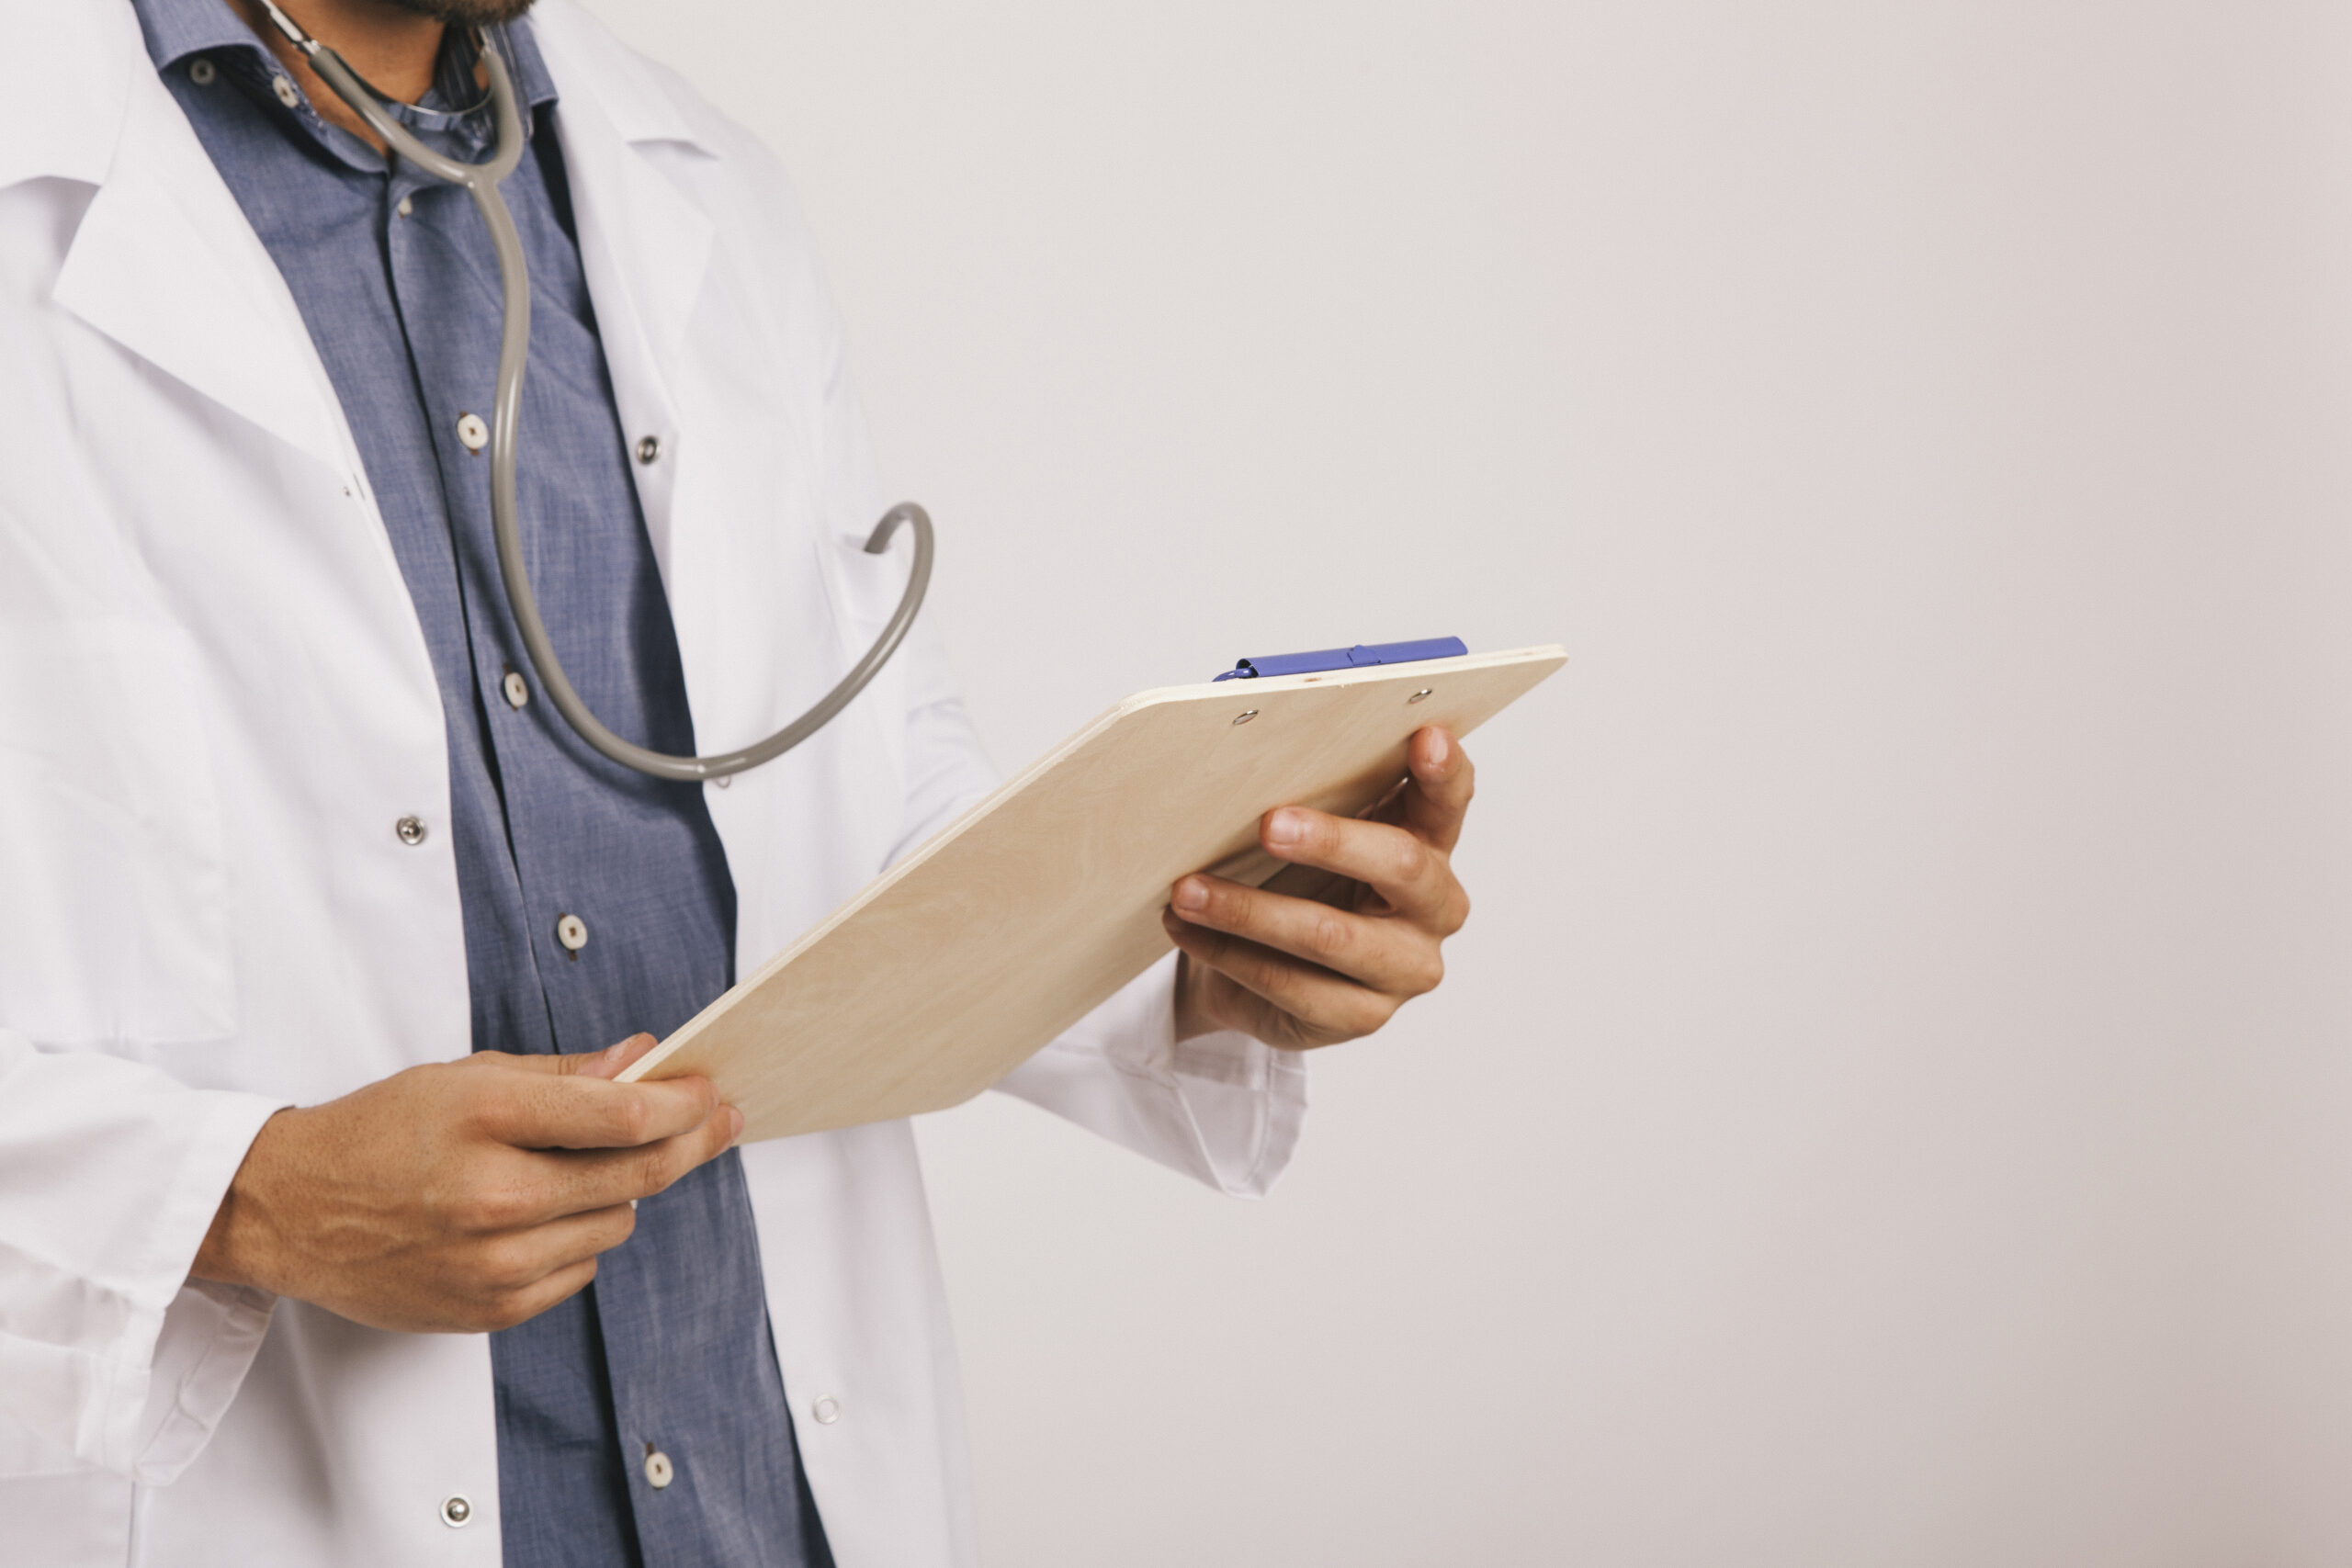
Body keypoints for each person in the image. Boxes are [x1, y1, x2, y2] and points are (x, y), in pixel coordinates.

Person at [0, 0, 1480, 1561]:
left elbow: (862, 809)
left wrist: (1203, 944)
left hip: (758, 1491)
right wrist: (246, 1201)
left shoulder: (693, 183)